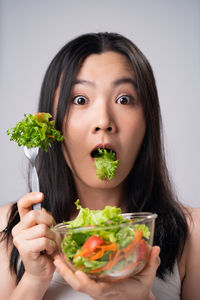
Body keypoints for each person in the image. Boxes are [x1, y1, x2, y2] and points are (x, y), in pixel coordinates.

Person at [0, 32, 200, 300]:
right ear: (52, 126)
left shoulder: (192, 232)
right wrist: (34, 279)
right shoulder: (10, 227)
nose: (104, 120)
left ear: (147, 122)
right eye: (80, 100)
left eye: (124, 99)